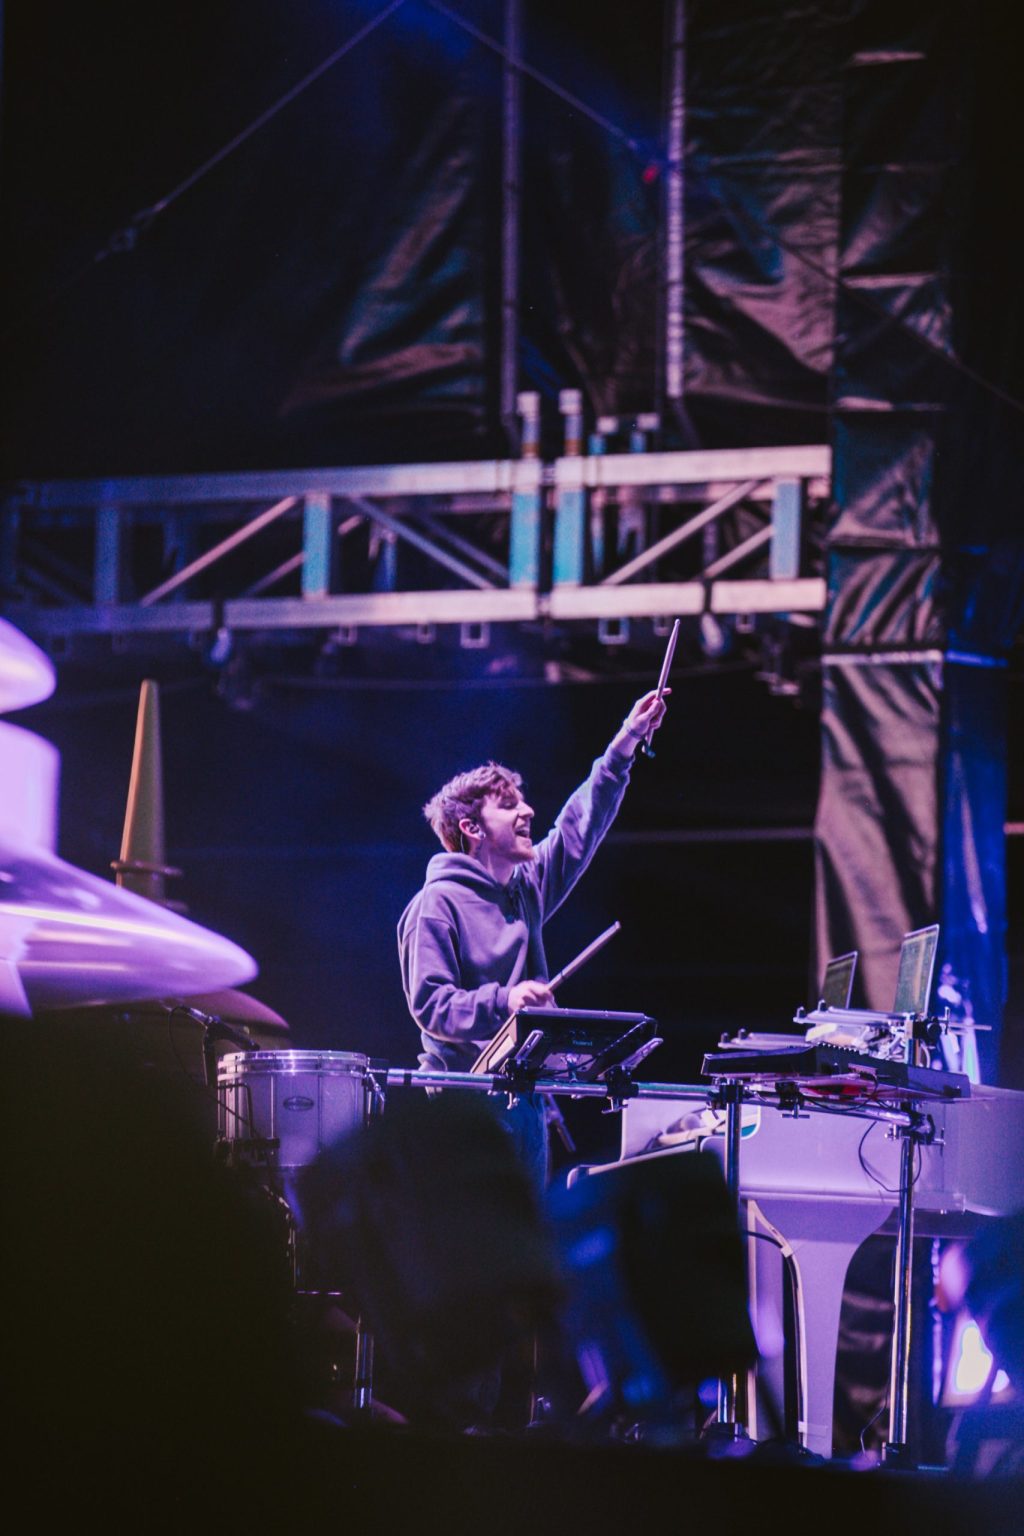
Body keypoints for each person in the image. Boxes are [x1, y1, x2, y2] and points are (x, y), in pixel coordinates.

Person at [397, 689, 669, 1185]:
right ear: (471, 828)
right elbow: (431, 1005)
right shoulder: (435, 905)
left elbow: (577, 829)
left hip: (523, 1102)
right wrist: (506, 1000)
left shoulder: (524, 889)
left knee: (526, 1233)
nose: (527, 811)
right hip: (464, 1110)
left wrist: (626, 741)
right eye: (508, 805)